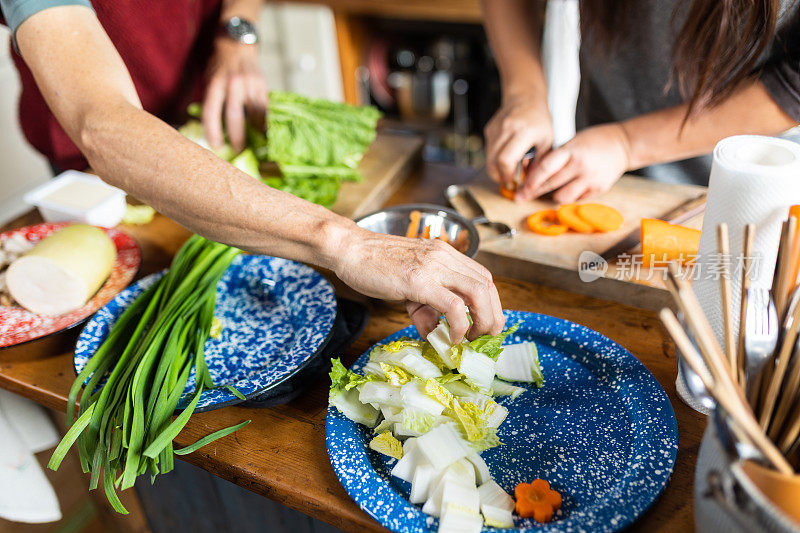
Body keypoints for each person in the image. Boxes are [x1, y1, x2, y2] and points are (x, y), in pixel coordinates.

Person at [0, 0, 505, 341]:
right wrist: (347, 241)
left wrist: (236, 32)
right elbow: (103, 127)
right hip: (102, 168)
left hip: (202, 116)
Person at [483, 0, 800, 204]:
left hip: (754, 193)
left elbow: (793, 84)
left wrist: (627, 144)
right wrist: (525, 94)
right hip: (602, 174)